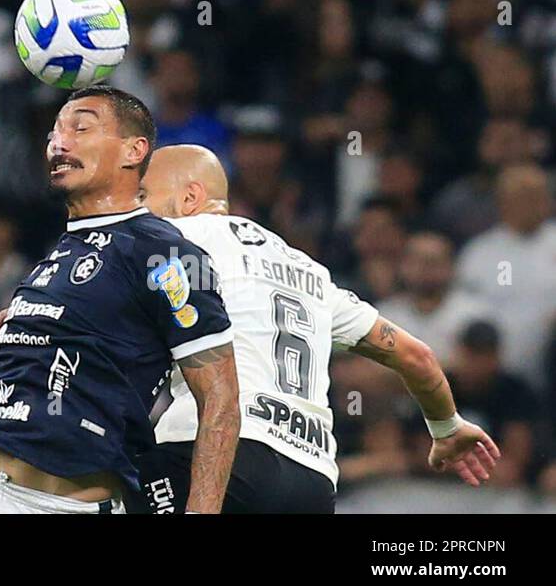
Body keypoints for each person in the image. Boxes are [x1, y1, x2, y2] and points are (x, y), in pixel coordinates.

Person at [137, 144, 501, 513]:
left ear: (189, 197)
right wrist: (447, 428)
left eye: (142, 194)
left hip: (213, 450)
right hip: (310, 477)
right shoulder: (309, 272)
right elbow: (416, 356)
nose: (135, 209)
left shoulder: (178, 238)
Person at [0, 87, 240, 514]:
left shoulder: (167, 252)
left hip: (68, 506)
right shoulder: (54, 258)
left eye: (81, 129)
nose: (59, 144)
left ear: (134, 150)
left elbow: (221, 400)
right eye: (53, 135)